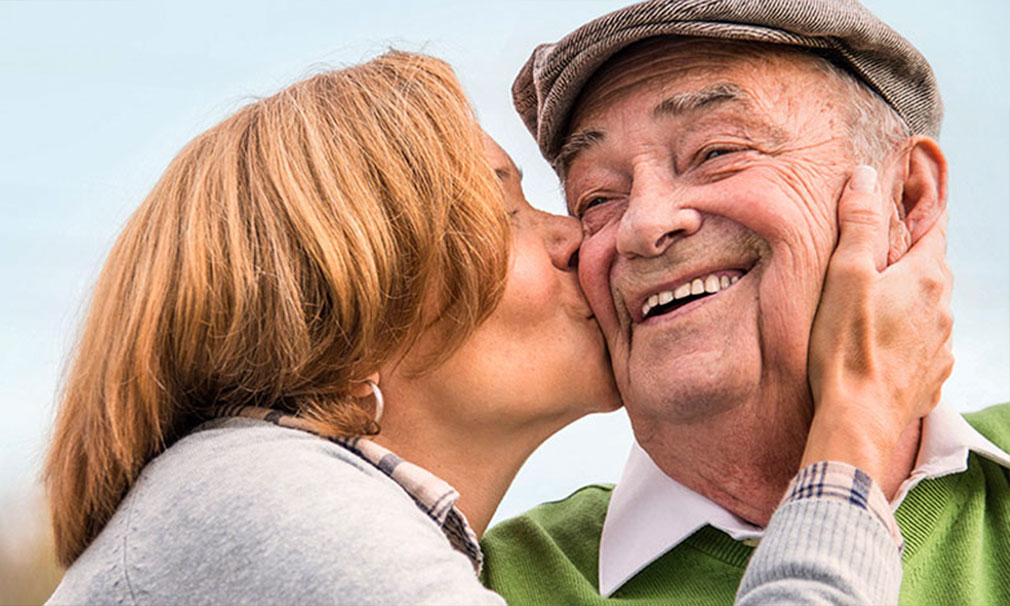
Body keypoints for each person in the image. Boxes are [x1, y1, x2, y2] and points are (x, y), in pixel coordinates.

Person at [44, 49, 949, 605]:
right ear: (351, 295)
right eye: (508, 208)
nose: (587, 237)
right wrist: (855, 433)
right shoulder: (263, 504)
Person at [480, 1, 1010, 604]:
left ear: (906, 198)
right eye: (597, 197)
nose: (642, 225)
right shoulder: (481, 585)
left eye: (716, 152)